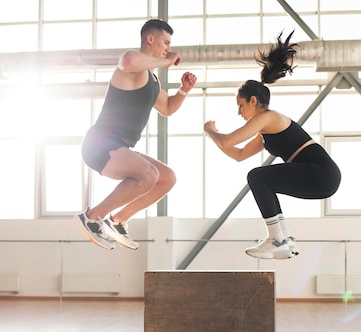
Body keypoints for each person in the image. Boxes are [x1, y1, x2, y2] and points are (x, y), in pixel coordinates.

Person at [203, 31, 341, 260]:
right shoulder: (266, 130)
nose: (239, 112)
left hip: (322, 174)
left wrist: (212, 132)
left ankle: (277, 239)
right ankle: (283, 239)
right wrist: (215, 136)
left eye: (240, 105)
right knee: (260, 179)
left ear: (254, 101)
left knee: (258, 177)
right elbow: (238, 154)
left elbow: (228, 141)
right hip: (322, 179)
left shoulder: (268, 117)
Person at [74, 19, 197, 250]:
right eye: (166, 42)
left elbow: (168, 108)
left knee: (166, 178)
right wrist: (166, 61)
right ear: (150, 39)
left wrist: (184, 90)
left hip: (119, 146)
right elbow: (129, 61)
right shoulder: (131, 64)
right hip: (99, 144)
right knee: (148, 175)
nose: (169, 48)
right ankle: (91, 217)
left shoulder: (151, 78)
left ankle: (118, 220)